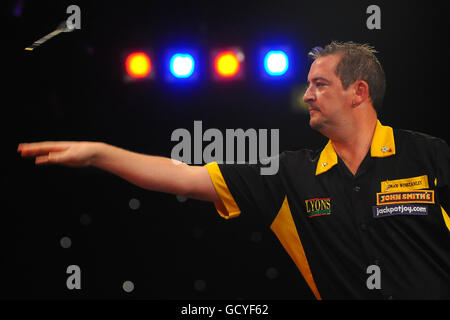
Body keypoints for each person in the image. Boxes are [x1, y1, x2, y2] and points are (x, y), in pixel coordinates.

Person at [18, 41, 450, 299]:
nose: (307, 95)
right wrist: (99, 154)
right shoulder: (288, 176)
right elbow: (184, 175)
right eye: (307, 85)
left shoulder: (430, 157)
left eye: (319, 84)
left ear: (359, 92)